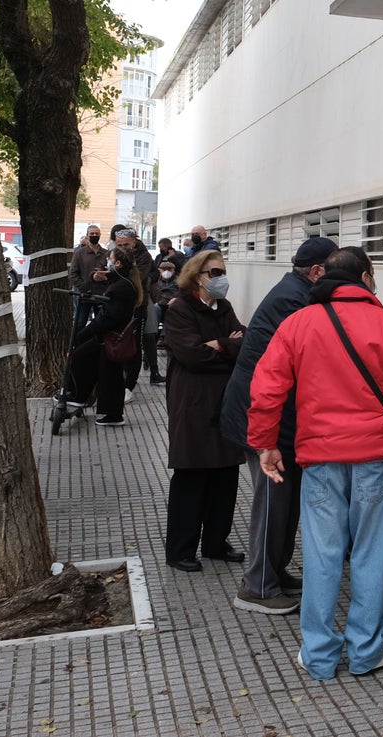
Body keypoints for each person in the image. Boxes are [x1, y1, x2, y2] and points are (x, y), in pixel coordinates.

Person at [248, 247, 383, 680]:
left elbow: (267, 387)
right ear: (366, 277)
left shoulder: (298, 323)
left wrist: (265, 443)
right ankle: (366, 650)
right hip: (374, 457)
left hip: (319, 458)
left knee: (321, 553)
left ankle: (318, 654)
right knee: (373, 551)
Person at [221, 236, 339, 615]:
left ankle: (274, 571)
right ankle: (257, 586)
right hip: (264, 418)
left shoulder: (296, 292)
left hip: (274, 417)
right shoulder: (295, 301)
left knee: (284, 503)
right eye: (335, 270)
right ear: (317, 272)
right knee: (273, 503)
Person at [163, 249, 246, 572]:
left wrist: (220, 344)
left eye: (223, 272)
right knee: (192, 474)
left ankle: (216, 542)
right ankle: (180, 549)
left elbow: (245, 343)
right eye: (215, 273)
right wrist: (227, 345)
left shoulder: (224, 307)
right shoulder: (180, 309)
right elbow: (192, 356)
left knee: (225, 474)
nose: (221, 278)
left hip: (225, 400)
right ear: (197, 276)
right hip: (193, 402)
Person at [62, 245, 141, 427]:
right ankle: (82, 397)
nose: (107, 262)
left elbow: (109, 317)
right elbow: (110, 284)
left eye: (110, 259)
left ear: (118, 264)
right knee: (99, 367)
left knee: (94, 365)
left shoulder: (122, 287)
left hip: (110, 337)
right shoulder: (123, 282)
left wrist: (85, 332)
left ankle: (106, 411)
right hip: (110, 335)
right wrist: (99, 278)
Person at [114, 228, 157, 399]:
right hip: (119, 304)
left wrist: (115, 273)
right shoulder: (115, 254)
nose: (122, 248)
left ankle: (130, 383)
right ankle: (122, 377)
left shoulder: (143, 256)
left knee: (135, 344)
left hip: (138, 304)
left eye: (125, 244)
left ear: (133, 242)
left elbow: (140, 276)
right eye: (119, 245)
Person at [67, 224, 108, 339]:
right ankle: (75, 344)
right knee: (80, 322)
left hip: (101, 294)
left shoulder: (106, 253)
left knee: (101, 323)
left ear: (100, 235)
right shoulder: (79, 253)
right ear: (87, 235)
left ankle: (99, 345)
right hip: (85, 294)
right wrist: (82, 286)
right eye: (92, 234)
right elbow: (72, 273)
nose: (94, 235)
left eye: (96, 234)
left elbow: (110, 272)